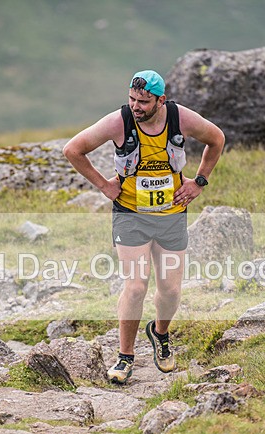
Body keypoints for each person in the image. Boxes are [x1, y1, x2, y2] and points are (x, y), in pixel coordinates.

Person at [63, 70, 225, 384]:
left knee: (170, 291)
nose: (136, 106)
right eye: (132, 99)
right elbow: (73, 149)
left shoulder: (180, 118)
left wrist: (200, 182)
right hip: (131, 215)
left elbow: (216, 139)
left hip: (171, 214)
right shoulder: (118, 122)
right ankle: (125, 358)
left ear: (160, 100)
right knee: (136, 287)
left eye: (144, 101)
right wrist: (103, 186)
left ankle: (160, 334)